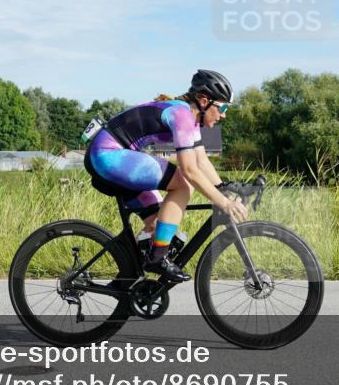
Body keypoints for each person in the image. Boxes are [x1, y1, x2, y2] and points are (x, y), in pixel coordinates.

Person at [85, 70, 248, 282]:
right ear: (204, 101)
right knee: (182, 185)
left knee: (157, 226)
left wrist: (224, 188)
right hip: (109, 154)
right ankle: (156, 260)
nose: (224, 114)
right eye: (223, 107)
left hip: (114, 156)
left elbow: (201, 160)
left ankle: (129, 281)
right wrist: (223, 203)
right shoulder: (182, 115)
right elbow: (190, 170)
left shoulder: (191, 120)